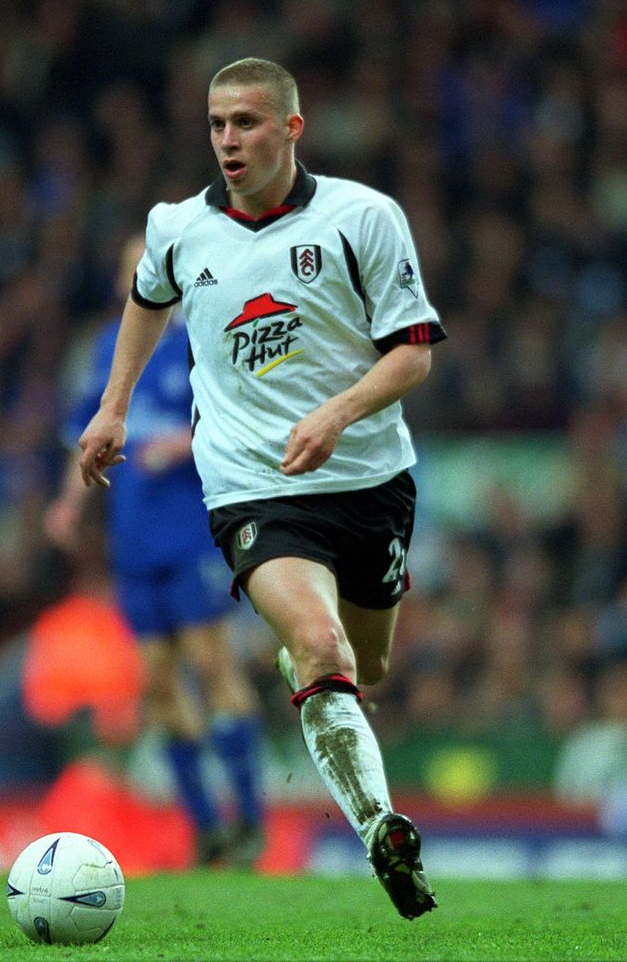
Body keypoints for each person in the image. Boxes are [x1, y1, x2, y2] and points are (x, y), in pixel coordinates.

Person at [78, 58, 445, 919]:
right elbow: (146, 298)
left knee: (370, 661)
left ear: (292, 128)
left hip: (368, 477)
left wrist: (338, 413)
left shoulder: (364, 217)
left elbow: (415, 352)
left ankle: (317, 670)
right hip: (254, 482)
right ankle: (381, 830)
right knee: (324, 650)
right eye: (216, 125)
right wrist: (113, 408)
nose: (228, 141)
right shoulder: (177, 227)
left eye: (246, 122)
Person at [47, 232, 266, 869]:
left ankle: (250, 818)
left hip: (191, 531)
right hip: (133, 539)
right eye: (128, 269)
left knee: (211, 663)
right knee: (159, 681)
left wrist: (183, 443)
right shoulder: (104, 352)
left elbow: (242, 430)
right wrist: (68, 503)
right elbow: (84, 434)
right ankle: (207, 830)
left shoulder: (202, 344)